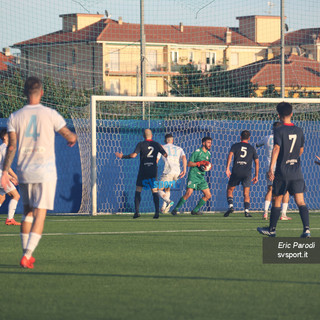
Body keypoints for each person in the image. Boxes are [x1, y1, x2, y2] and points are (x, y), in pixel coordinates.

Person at [1, 76, 77, 269]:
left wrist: (4, 172)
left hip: (25, 171)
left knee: (27, 213)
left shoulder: (15, 116)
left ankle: (25, 253)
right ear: (42, 92)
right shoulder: (50, 114)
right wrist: (72, 137)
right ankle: (28, 254)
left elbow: (11, 147)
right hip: (45, 172)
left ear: (24, 93)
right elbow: (67, 134)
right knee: (40, 214)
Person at [257, 102, 310, 238]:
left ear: (278, 115)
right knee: (300, 201)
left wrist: (271, 169)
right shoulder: (299, 130)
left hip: (282, 171)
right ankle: (307, 230)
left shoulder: (279, 130)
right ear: (292, 114)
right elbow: (301, 150)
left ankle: (272, 229)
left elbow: (276, 148)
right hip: (296, 172)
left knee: (277, 199)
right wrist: (293, 158)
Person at [115, 129, 167, 219]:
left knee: (138, 189)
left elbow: (133, 155)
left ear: (143, 136)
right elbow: (165, 155)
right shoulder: (156, 144)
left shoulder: (141, 144)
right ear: (152, 136)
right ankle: (157, 212)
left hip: (143, 170)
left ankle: (137, 212)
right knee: (154, 191)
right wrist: (161, 148)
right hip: (153, 170)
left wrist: (122, 156)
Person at [256, 122, 291, 220]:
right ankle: (283, 214)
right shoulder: (284, 139)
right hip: (281, 166)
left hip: (269, 166)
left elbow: (257, 144)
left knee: (270, 189)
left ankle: (265, 212)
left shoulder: (267, 138)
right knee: (286, 190)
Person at [171, 136, 212, 216]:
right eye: (208, 142)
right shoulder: (197, 152)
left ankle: (195, 210)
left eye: (210, 143)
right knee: (188, 193)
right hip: (193, 176)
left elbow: (204, 165)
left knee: (208, 195)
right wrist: (198, 163)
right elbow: (189, 164)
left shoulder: (208, 154)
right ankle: (175, 210)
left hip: (201, 177)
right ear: (203, 143)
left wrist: (207, 167)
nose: (210, 144)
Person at [224, 130, 259, 218]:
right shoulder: (251, 148)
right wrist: (256, 175)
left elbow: (230, 155)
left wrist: (227, 168)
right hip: (247, 173)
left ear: (240, 137)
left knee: (230, 190)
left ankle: (231, 206)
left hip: (236, 171)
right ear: (249, 138)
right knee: (246, 193)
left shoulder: (235, 146)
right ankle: (246, 211)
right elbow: (257, 162)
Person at [156, 133, 187, 213]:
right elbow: (184, 158)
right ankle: (163, 208)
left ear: (165, 140)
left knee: (158, 189)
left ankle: (168, 201)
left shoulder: (162, 148)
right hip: (177, 172)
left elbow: (156, 160)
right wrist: (184, 170)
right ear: (172, 140)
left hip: (168, 171)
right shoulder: (179, 148)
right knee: (167, 188)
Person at [0, 128, 21, 225]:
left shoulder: (2, 148)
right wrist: (14, 177)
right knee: (16, 195)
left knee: (1, 198)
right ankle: (10, 219)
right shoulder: (5, 149)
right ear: (4, 137)